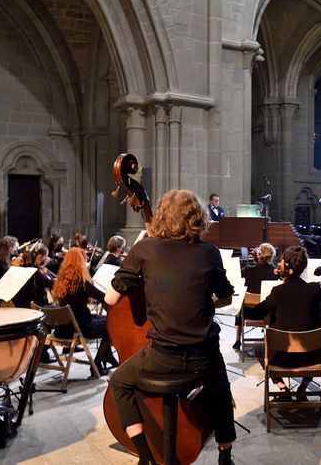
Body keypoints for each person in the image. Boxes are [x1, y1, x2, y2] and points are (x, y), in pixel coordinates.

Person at [105, 189, 236, 465]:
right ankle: (225, 455)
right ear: (198, 218)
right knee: (221, 394)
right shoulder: (209, 253)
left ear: (162, 217)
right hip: (205, 355)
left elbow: (110, 299)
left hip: (163, 357)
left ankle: (145, 457)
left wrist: (136, 250)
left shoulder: (144, 250)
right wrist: (207, 303)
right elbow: (225, 298)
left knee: (118, 382)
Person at [250, 246, 321, 401]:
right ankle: (302, 389)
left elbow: (257, 312)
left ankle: (283, 389)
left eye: (281, 261)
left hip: (283, 358)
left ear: (286, 267)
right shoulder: (314, 289)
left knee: (259, 348)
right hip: (312, 357)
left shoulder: (278, 291)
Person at [52, 247, 117, 376]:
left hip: (64, 326)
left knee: (105, 319)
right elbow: (103, 297)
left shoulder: (62, 280)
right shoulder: (81, 283)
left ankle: (107, 356)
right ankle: (97, 364)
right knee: (112, 324)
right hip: (80, 328)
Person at [233, 242, 279, 350]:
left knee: (240, 307)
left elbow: (237, 276)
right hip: (268, 312)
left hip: (249, 312)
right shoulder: (275, 271)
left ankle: (237, 340)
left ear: (258, 255)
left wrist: (255, 261)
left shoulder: (248, 270)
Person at [13, 242, 55, 309]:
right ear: (39, 258)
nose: (44, 262)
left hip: (20, 305)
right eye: (44, 259)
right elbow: (51, 284)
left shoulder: (23, 266)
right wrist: (45, 271)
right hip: (31, 308)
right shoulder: (34, 271)